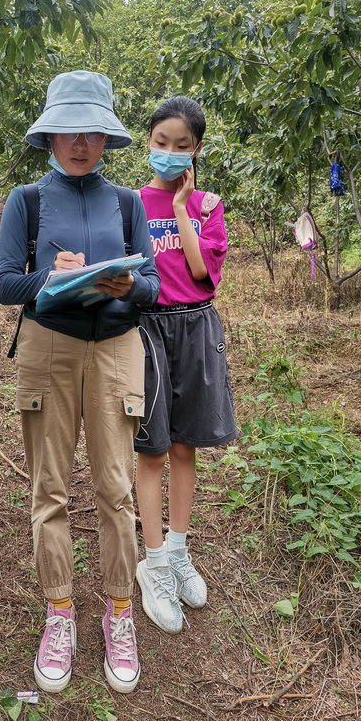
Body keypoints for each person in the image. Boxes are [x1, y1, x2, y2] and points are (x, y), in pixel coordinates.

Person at [0, 70, 160, 694]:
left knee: (116, 488)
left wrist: (124, 283)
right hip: (49, 345)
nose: (81, 143)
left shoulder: (127, 204)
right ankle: (59, 609)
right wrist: (50, 277)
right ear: (51, 135)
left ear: (106, 137)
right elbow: (6, 281)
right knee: (51, 489)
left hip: (116, 347)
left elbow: (153, 287)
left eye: (93, 131)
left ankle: (120, 609)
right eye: (70, 131)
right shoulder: (26, 200)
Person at [134, 96, 238, 634]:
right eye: (161, 143)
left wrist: (181, 209)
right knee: (151, 448)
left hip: (195, 327)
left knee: (184, 447)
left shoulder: (207, 206)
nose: (170, 154)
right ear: (147, 141)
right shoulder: (128, 204)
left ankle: (177, 551)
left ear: (196, 150)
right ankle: (152, 565)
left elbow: (200, 272)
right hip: (146, 331)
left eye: (182, 146)